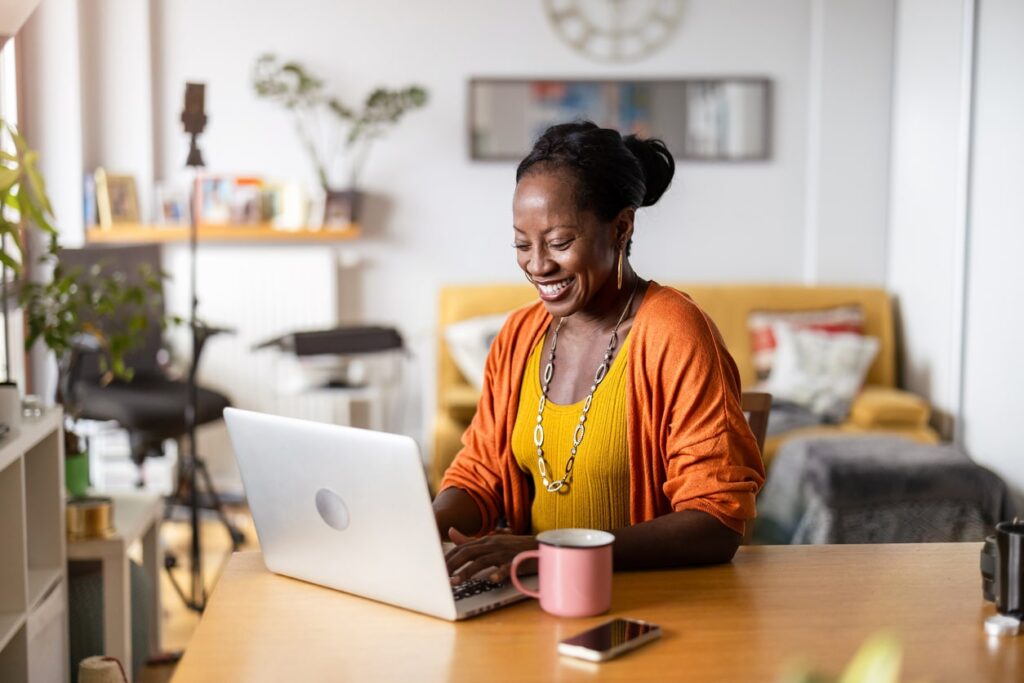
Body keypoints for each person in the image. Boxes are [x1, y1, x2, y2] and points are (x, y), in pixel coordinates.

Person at [434, 121, 765, 586]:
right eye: (522, 244)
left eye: (560, 242)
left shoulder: (675, 334)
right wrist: (423, 526)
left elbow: (716, 521)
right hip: (535, 597)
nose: (537, 264)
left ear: (621, 228)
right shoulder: (518, 335)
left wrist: (550, 553)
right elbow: (479, 476)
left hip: (648, 603)